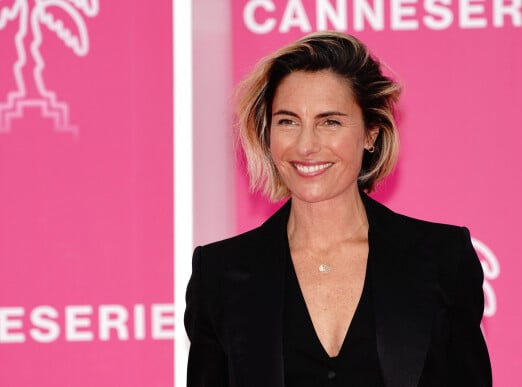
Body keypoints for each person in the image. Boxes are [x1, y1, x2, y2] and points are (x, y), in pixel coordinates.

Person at [184, 31, 492, 387]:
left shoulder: (443, 258)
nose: (306, 145)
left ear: (371, 133)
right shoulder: (220, 275)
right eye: (288, 121)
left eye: (329, 122)